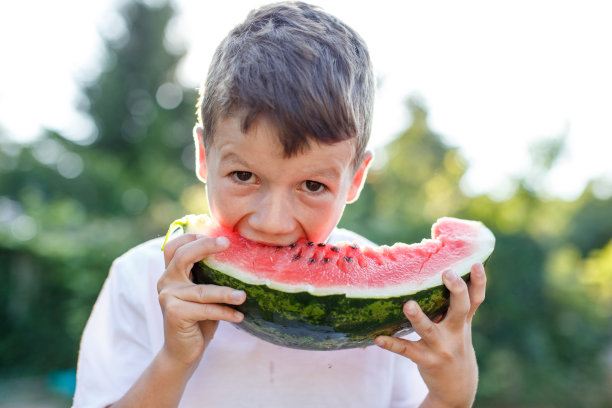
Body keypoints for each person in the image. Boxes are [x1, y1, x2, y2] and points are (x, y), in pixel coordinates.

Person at [73, 2, 487, 407]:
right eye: (243, 176)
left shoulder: (400, 308)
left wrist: (451, 396)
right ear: (203, 154)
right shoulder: (139, 279)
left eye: (311, 184)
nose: (272, 222)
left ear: (355, 179)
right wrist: (174, 360)